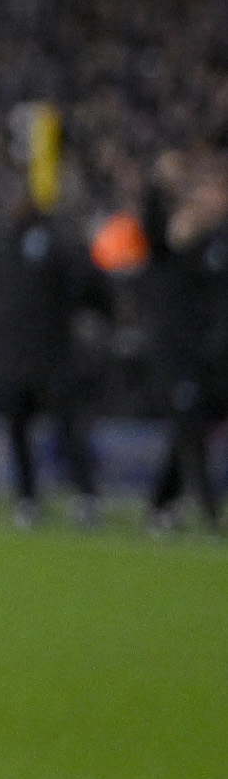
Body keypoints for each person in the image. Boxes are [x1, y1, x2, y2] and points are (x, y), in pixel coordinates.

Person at [0, 191, 100, 524]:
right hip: (11, 353)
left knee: (67, 425)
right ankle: (27, 496)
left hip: (52, 351)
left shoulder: (58, 239)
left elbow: (84, 285)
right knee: (18, 427)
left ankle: (85, 493)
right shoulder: (1, 241)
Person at [144, 152, 228, 537]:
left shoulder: (210, 249)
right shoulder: (174, 253)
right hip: (183, 358)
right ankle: (209, 510)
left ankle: (162, 504)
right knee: (190, 428)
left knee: (189, 430)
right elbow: (155, 228)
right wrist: (158, 185)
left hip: (210, 357)